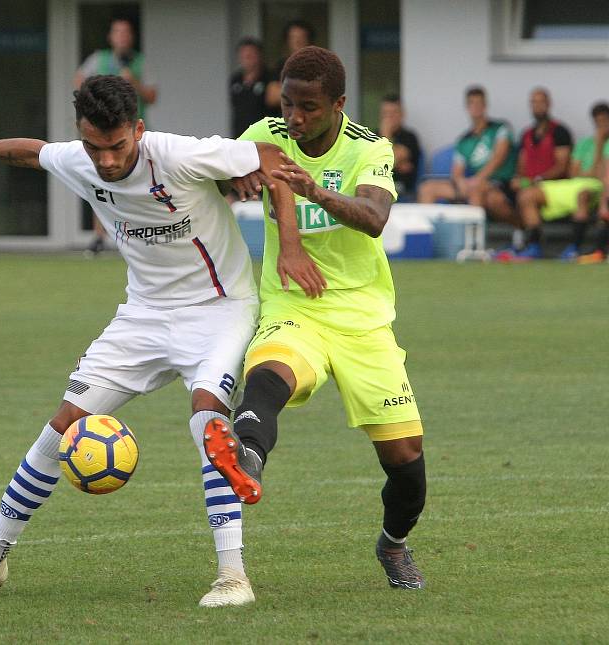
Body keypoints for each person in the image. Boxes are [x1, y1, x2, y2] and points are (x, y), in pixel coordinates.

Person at [0, 75, 318, 607]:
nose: (105, 161)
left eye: (117, 146)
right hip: (142, 318)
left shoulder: (177, 155)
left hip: (219, 311)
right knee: (60, 429)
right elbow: (32, 153)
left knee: (208, 421)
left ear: (138, 130)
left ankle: (233, 576)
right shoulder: (80, 159)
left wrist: (289, 245)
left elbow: (269, 156)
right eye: (94, 147)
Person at [202, 46, 427, 590]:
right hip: (292, 303)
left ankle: (393, 544)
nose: (295, 119)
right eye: (288, 104)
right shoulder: (265, 133)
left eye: (308, 108)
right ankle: (246, 455)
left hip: (361, 316)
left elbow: (374, 218)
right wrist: (232, 181)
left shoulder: (370, 149)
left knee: (406, 460)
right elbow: (208, 176)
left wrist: (313, 189)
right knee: (270, 372)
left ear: (338, 105)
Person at [74, 18, 157, 255]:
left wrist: (134, 83)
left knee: (140, 182)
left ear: (131, 37)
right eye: (117, 33)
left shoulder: (141, 62)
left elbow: (152, 96)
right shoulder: (98, 59)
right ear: (111, 37)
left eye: (126, 33)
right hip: (101, 134)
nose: (122, 37)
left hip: (130, 137)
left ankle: (139, 235)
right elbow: (78, 82)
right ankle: (100, 236)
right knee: (101, 180)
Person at [510, 102, 608, 261]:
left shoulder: (603, 144)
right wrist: (588, 171)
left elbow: (599, 175)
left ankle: (575, 248)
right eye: (598, 121)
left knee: (582, 195)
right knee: (527, 195)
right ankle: (534, 246)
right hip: (571, 184)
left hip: (596, 188)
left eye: (605, 121)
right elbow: (573, 172)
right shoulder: (584, 143)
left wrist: (599, 145)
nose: (601, 126)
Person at [418, 86, 517, 227]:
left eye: (479, 103)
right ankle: (427, 238)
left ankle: (473, 245)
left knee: (477, 189)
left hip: (499, 184)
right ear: (467, 107)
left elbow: (498, 158)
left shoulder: (500, 128)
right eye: (472, 103)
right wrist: (460, 182)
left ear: (485, 106)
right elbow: (457, 171)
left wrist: (477, 179)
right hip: (474, 184)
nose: (476, 107)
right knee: (427, 188)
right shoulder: (464, 140)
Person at [496, 88, 574, 260]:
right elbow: (522, 164)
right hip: (530, 184)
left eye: (541, 102)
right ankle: (518, 238)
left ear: (549, 104)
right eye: (534, 102)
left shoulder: (560, 132)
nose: (537, 106)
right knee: (498, 197)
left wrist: (538, 179)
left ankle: (534, 245)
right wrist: (519, 179)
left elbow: (562, 166)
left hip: (553, 186)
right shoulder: (526, 134)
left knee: (527, 196)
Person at [230, 37, 279, 138]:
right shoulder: (235, 80)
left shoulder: (270, 78)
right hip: (240, 135)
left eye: (251, 54)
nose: (247, 58)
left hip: (265, 136)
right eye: (244, 55)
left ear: (259, 55)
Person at [378, 93, 422, 200]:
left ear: (402, 114)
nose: (389, 118)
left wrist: (386, 135)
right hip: (377, 187)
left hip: (402, 189)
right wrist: (399, 164)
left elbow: (389, 162)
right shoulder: (372, 136)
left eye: (393, 113)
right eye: (386, 113)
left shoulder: (409, 137)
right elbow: (370, 164)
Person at [265, 20, 315, 109]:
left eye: (301, 37)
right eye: (293, 37)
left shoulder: (318, 64)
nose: (297, 41)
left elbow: (319, 95)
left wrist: (284, 89)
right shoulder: (281, 66)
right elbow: (272, 97)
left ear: (308, 40)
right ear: (288, 41)